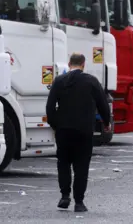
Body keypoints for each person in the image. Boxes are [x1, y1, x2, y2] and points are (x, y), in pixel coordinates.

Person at [46, 53, 111, 212]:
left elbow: (50, 107)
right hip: (84, 130)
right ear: (83, 64)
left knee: (63, 163)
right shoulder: (91, 81)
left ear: (69, 64)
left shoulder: (59, 81)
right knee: (81, 166)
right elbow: (103, 104)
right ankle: (79, 202)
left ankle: (65, 196)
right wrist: (106, 122)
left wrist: (55, 125)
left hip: (64, 130)